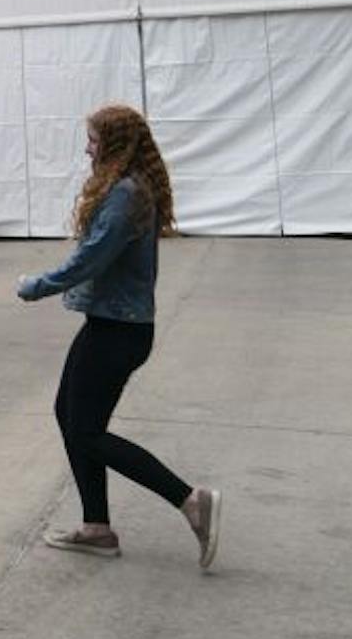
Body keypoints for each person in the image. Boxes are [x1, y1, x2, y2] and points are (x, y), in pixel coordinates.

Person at [15, 103, 221, 569]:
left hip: (118, 330)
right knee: (70, 416)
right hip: (115, 325)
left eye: (92, 140)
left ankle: (190, 500)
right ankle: (96, 527)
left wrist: (38, 286)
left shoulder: (126, 194)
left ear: (114, 144)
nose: (87, 148)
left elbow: (90, 259)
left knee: (85, 430)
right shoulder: (132, 188)